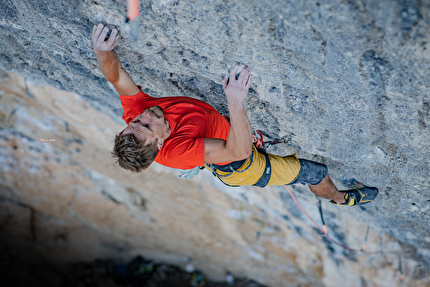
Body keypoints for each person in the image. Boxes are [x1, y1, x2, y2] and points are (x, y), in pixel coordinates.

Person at [92, 24, 378, 206]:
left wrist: (102, 51)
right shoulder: (178, 152)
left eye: (136, 122)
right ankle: (339, 198)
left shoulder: (139, 119)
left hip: (224, 141)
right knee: (316, 173)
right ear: (161, 143)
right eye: (148, 125)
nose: (145, 115)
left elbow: (115, 76)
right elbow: (238, 151)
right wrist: (236, 102)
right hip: (240, 166)